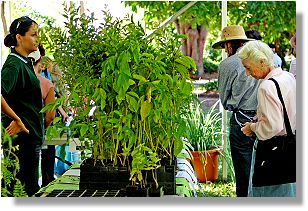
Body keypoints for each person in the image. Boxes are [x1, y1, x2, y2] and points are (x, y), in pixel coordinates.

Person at [238, 40, 296, 197]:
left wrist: (252, 127)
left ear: (262, 62)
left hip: (273, 151)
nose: (247, 74)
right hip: (292, 146)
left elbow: (272, 127)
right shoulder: (288, 76)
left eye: (248, 68)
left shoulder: (266, 87)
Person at [212, 25, 261, 197]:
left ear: (228, 45)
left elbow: (224, 100)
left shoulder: (227, 64)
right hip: (265, 118)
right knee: (261, 169)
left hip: (240, 119)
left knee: (242, 170)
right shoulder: (262, 58)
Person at [1, 16, 44, 196]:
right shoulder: (13, 64)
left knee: (29, 190)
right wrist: (17, 119)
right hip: (21, 142)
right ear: (19, 37)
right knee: (18, 192)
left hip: (30, 139)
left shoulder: (24, 62)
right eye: (33, 35)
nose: (37, 39)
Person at [28, 45, 56, 187]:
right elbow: (50, 115)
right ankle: (46, 181)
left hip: (17, 131)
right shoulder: (45, 81)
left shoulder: (14, 77)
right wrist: (41, 127)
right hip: (40, 127)